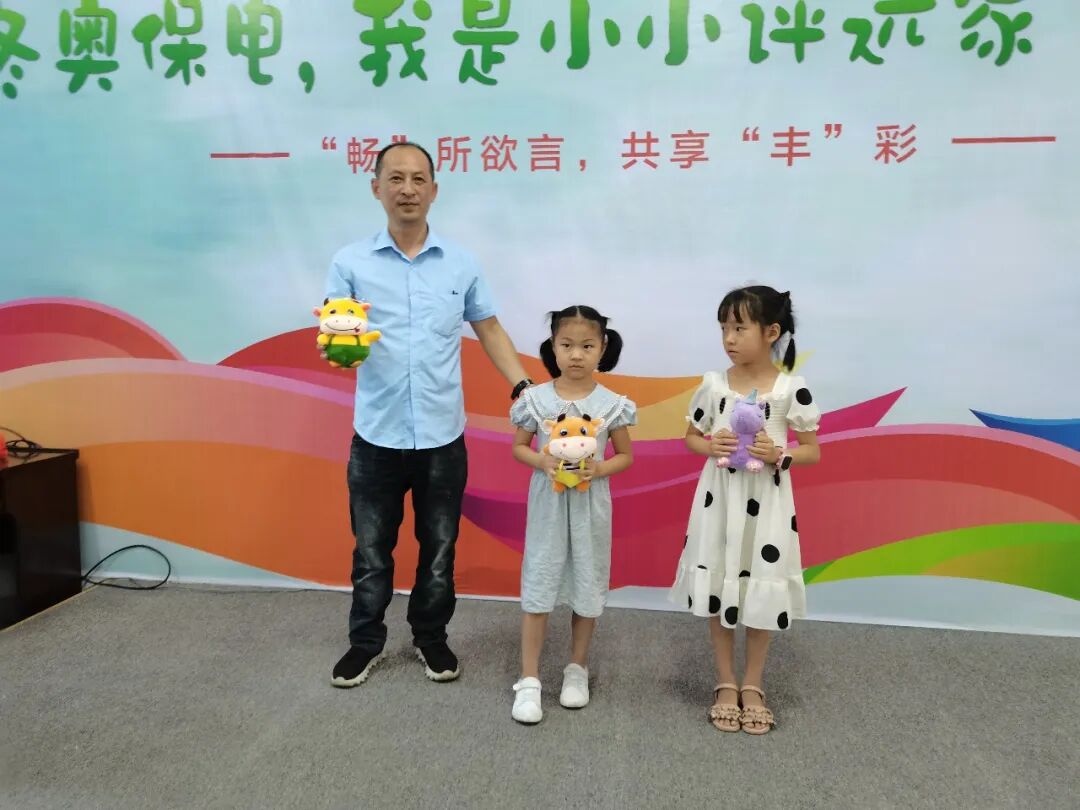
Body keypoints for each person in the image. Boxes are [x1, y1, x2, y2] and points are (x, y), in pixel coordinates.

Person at [325, 142, 534, 688]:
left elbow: (489, 327)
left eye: (419, 179)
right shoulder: (350, 263)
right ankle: (365, 642)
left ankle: (431, 637)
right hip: (376, 435)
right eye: (396, 178)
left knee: (439, 549)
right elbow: (337, 334)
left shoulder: (460, 263)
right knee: (372, 551)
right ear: (376, 188)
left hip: (442, 435)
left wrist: (522, 386)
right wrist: (339, 348)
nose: (408, 189)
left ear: (435, 190)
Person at [670, 285, 821, 734]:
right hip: (720, 499)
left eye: (739, 328)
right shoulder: (714, 384)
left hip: (768, 503)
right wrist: (709, 445)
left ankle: (753, 684)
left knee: (761, 586)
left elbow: (812, 450)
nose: (729, 339)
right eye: (724, 328)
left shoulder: (792, 388)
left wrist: (780, 454)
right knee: (720, 580)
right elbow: (692, 437)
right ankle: (725, 681)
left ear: (771, 332)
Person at [507, 306, 636, 724]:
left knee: (587, 579)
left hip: (590, 506)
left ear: (602, 348)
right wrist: (541, 461)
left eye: (587, 346)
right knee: (540, 579)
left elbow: (626, 456)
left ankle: (577, 668)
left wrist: (599, 469)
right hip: (548, 504)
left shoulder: (611, 404)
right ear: (553, 347)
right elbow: (519, 447)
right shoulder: (535, 399)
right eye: (566, 345)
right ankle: (529, 678)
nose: (576, 354)